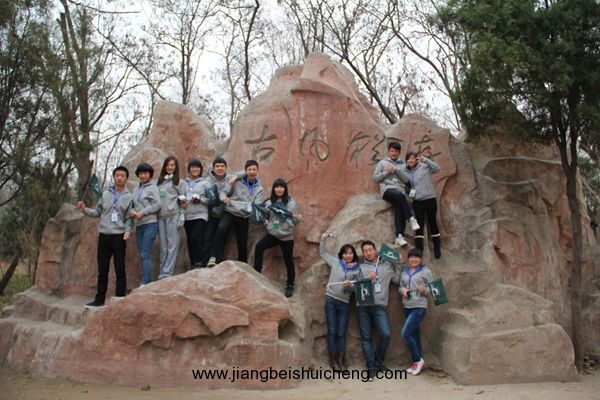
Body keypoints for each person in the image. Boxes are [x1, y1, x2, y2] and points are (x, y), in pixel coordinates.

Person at [76, 166, 133, 309]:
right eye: (117, 175)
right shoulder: (106, 194)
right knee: (102, 270)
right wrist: (84, 209)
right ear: (114, 177)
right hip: (104, 236)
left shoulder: (129, 197)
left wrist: (128, 231)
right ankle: (99, 299)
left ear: (126, 178)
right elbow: (97, 212)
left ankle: (120, 298)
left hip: (119, 236)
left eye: (122, 176)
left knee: (120, 268)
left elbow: (129, 218)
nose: (119, 178)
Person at [357, 240, 401, 380]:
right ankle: (371, 367)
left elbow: (397, 280)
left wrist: (398, 264)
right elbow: (354, 287)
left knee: (385, 334)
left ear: (375, 250)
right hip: (363, 306)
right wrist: (367, 279)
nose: (368, 253)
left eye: (370, 250)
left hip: (379, 306)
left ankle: (377, 362)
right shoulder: (361, 267)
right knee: (366, 338)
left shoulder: (387, 265)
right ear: (363, 253)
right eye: (365, 251)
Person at [207, 160, 264, 266]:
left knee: (242, 240)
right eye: (249, 170)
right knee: (221, 230)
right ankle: (214, 258)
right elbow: (224, 192)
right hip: (230, 211)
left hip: (244, 216)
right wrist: (224, 198)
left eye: (254, 170)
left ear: (257, 171)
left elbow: (257, 205)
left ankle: (243, 264)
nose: (252, 172)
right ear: (245, 171)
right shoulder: (236, 181)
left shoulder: (259, 188)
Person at [319, 232, 360, 371]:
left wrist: (349, 286)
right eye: (345, 253)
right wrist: (323, 238)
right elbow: (323, 253)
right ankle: (332, 360)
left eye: (350, 253)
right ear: (341, 255)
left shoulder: (357, 270)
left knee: (341, 332)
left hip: (344, 303)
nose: (348, 255)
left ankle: (341, 359)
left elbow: (357, 288)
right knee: (332, 330)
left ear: (354, 255)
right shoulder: (335, 262)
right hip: (330, 300)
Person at [253, 179, 301, 297]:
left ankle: (290, 285)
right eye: (277, 187)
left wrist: (291, 223)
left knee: (288, 260)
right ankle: (256, 274)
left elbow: (295, 219)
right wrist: (267, 223)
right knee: (259, 247)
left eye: (281, 187)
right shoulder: (269, 202)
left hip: (286, 236)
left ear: (285, 189)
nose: (279, 189)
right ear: (274, 189)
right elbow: (266, 215)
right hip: (274, 234)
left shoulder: (291, 203)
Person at [373, 142, 420, 247]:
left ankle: (399, 236)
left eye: (396, 151)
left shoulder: (403, 165)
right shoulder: (382, 163)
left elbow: (407, 180)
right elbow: (376, 178)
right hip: (387, 190)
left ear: (399, 153)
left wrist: (397, 170)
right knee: (399, 196)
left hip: (400, 191)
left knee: (399, 206)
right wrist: (386, 172)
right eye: (392, 151)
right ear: (389, 151)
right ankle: (411, 219)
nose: (394, 153)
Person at [399, 247, 433, 376]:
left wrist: (425, 290)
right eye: (411, 257)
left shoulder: (426, 271)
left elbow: (433, 288)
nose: (414, 259)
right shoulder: (405, 271)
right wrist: (403, 290)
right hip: (407, 306)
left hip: (419, 307)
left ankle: (417, 360)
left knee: (405, 334)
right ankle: (417, 362)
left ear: (421, 259)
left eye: (417, 257)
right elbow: (400, 286)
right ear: (408, 259)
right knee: (414, 335)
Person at [402, 152, 442, 258]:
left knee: (432, 222)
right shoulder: (405, 171)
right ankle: (419, 248)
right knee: (419, 224)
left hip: (430, 198)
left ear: (416, 159)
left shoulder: (424, 167)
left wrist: (425, 160)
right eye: (408, 159)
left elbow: (437, 168)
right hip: (418, 201)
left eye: (413, 158)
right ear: (406, 161)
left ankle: (437, 246)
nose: (411, 160)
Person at [130, 162, 161, 285]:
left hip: (150, 223)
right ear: (138, 175)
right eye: (141, 173)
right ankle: (147, 279)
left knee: (145, 252)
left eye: (145, 173)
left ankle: (146, 280)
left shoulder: (153, 187)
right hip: (139, 225)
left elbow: (158, 204)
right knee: (142, 252)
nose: (143, 175)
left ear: (150, 174)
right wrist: (132, 212)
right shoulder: (135, 189)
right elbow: (132, 205)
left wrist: (143, 212)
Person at [199, 157, 234, 267]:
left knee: (221, 233)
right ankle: (204, 261)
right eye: (217, 166)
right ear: (213, 168)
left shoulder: (231, 180)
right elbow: (203, 197)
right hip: (212, 214)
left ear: (226, 168)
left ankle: (216, 260)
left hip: (226, 212)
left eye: (222, 166)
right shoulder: (207, 182)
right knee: (207, 237)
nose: (220, 168)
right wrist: (208, 200)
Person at [156, 156, 186, 279]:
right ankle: (162, 270)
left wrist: (182, 215)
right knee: (163, 246)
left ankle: (167, 272)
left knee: (172, 245)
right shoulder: (160, 182)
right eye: (168, 165)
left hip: (173, 215)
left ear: (176, 167)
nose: (170, 167)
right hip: (161, 217)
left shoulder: (180, 182)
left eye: (172, 165)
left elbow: (183, 200)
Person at [181, 159, 212, 268]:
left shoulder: (206, 183)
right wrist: (182, 202)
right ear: (189, 169)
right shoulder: (184, 183)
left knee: (196, 237)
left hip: (201, 215)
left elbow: (211, 200)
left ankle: (200, 261)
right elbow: (181, 196)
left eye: (197, 167)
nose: (195, 169)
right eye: (192, 167)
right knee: (190, 240)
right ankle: (193, 262)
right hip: (187, 215)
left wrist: (200, 199)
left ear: (201, 169)